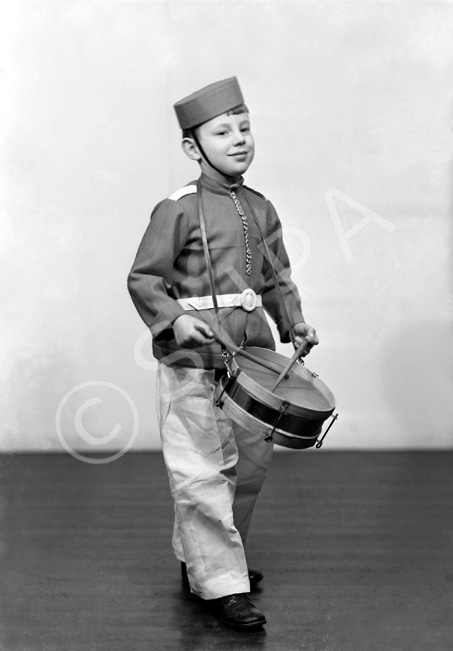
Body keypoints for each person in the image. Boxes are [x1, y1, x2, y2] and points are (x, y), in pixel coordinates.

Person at [128, 77, 319, 631]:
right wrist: (176, 319)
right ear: (193, 146)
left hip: (252, 359)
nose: (238, 138)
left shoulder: (260, 207)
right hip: (194, 363)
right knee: (201, 472)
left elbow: (278, 276)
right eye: (222, 131)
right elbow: (145, 280)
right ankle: (221, 583)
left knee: (249, 468)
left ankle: (207, 560)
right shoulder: (177, 209)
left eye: (244, 126)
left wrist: (294, 323)